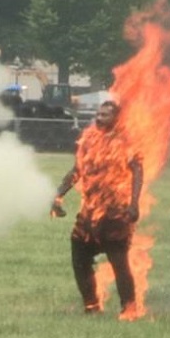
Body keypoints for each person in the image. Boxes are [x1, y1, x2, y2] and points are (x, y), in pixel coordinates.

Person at [50, 101, 144, 321]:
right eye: (98, 114)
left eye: (105, 115)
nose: (99, 118)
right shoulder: (89, 138)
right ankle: (91, 306)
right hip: (90, 211)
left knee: (119, 262)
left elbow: (138, 171)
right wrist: (58, 194)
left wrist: (134, 204)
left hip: (115, 212)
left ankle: (129, 309)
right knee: (79, 257)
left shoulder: (126, 140)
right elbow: (77, 170)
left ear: (117, 118)